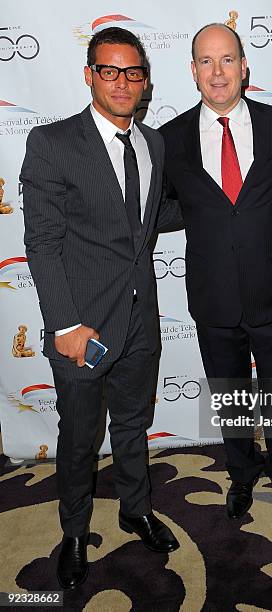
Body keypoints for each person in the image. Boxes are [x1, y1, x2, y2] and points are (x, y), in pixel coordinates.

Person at [20, 27, 181, 590]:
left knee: (134, 424)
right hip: (81, 325)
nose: (121, 82)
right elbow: (40, 240)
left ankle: (135, 510)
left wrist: (227, 209)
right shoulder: (53, 142)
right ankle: (72, 533)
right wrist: (64, 323)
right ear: (89, 74)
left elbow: (147, 217)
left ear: (144, 81)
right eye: (109, 71)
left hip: (140, 319)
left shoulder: (153, 143)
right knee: (80, 435)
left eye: (132, 72)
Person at [160, 23, 272, 520]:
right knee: (231, 394)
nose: (217, 72)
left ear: (245, 67)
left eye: (227, 60)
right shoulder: (169, 139)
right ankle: (241, 475)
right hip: (213, 293)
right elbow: (157, 208)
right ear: (193, 71)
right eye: (206, 61)